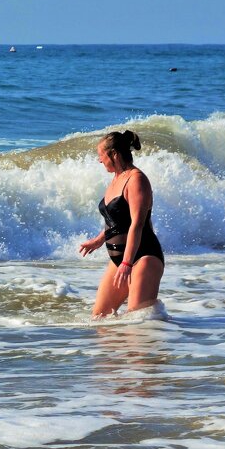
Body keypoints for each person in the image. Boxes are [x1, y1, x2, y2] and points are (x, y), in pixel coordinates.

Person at [78, 130, 165, 318]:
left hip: (143, 256)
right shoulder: (116, 179)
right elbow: (117, 221)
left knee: (138, 321)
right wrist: (100, 239)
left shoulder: (136, 180)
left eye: (101, 155)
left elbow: (137, 224)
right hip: (120, 260)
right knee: (99, 319)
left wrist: (127, 262)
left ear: (114, 154)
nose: (99, 161)